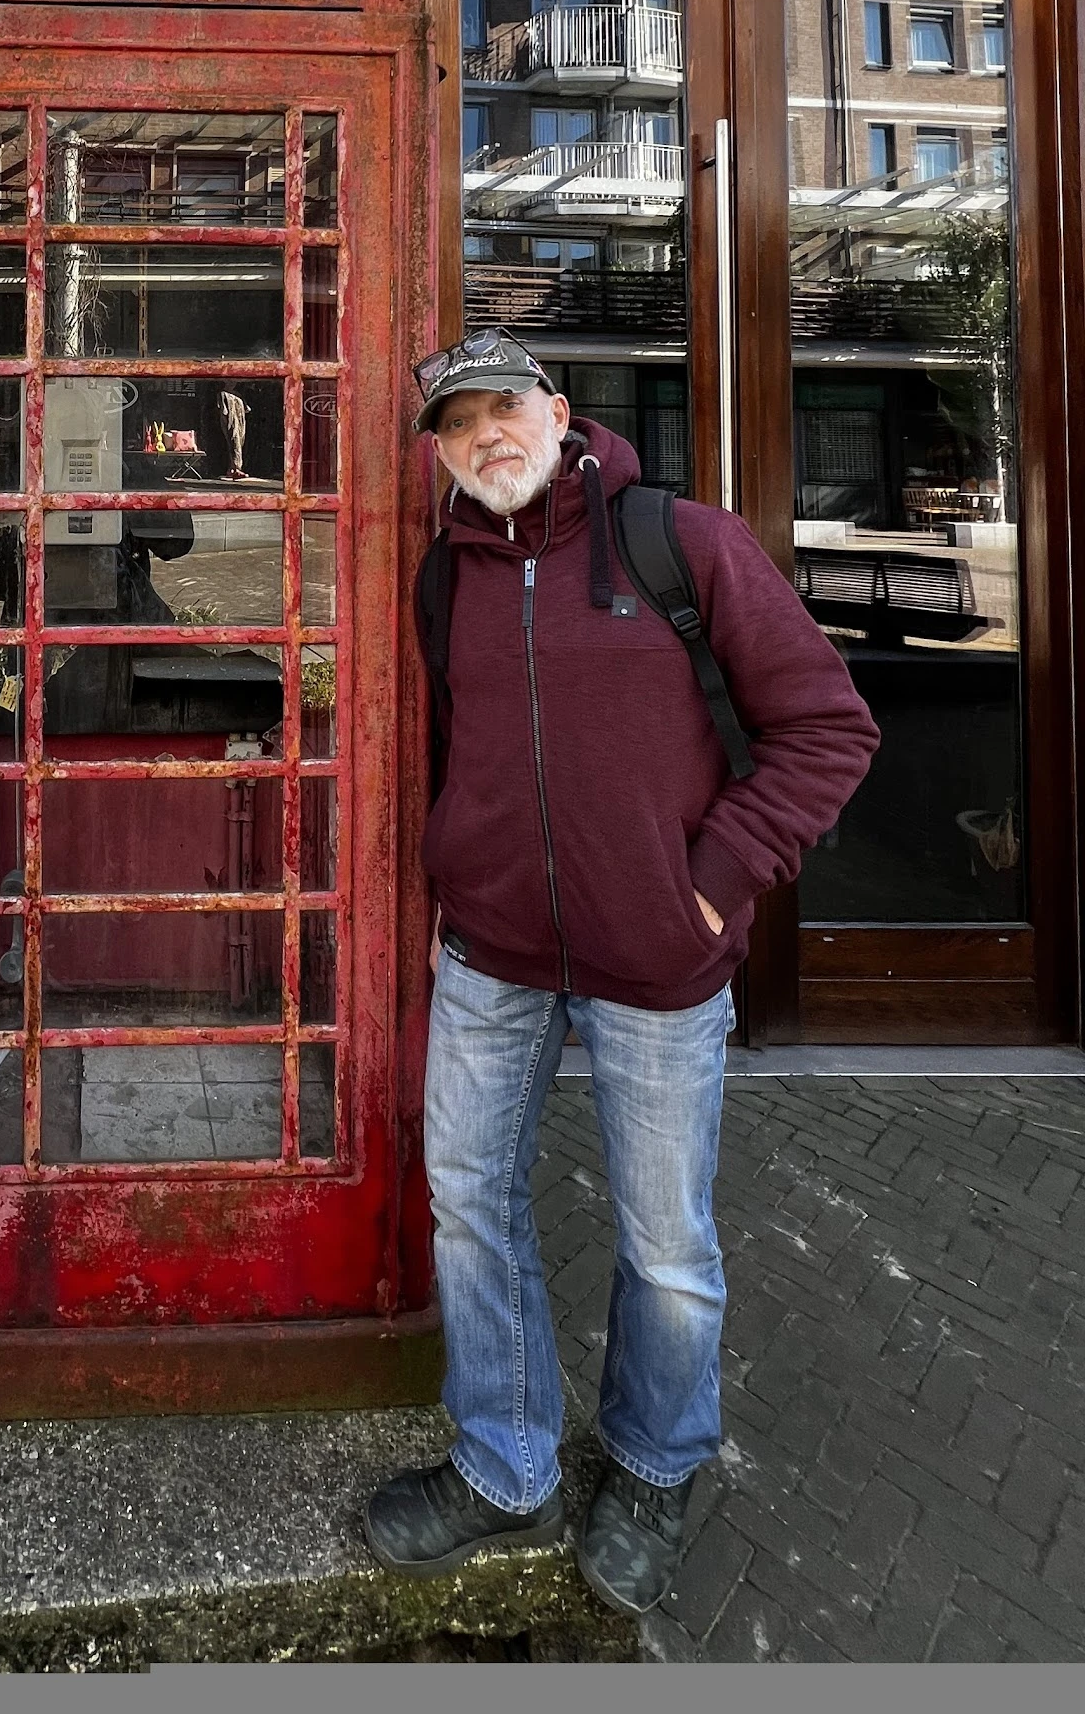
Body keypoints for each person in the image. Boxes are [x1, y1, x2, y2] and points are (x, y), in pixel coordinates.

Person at [365, 330, 878, 1617]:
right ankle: (504, 1461)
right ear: (437, 450)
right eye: (456, 422)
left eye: (504, 410)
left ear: (558, 409)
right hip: (494, 955)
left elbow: (828, 727)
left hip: (659, 961)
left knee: (664, 1243)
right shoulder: (447, 576)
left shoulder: (681, 544)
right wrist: (451, 883)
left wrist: (710, 878)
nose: (486, 436)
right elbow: (459, 753)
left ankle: (654, 1464)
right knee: (471, 1203)